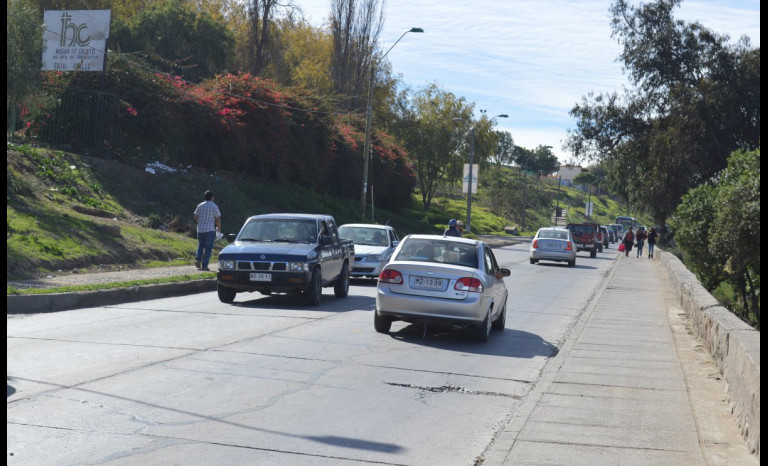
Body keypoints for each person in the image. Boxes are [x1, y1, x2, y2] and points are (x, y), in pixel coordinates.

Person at [193, 190, 221, 271]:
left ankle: (197, 259)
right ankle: (204, 265)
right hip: (209, 230)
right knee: (208, 248)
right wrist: (218, 228)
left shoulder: (200, 205)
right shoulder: (214, 206)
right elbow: (218, 218)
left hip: (200, 230)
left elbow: (195, 216)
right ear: (212, 198)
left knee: (201, 245)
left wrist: (200, 222)